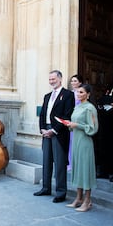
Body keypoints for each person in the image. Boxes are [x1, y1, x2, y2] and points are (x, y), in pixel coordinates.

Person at [34, 70, 75, 203]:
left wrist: (54, 130)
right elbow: (42, 114)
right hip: (46, 132)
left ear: (60, 79)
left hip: (59, 133)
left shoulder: (68, 95)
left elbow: (67, 115)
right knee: (46, 161)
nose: (51, 81)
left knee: (59, 163)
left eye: (54, 79)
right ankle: (46, 188)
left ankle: (61, 192)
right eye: (50, 79)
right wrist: (42, 129)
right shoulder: (47, 96)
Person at [66, 84, 98, 212]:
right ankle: (78, 198)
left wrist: (76, 125)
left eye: (81, 92)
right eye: (78, 92)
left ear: (88, 94)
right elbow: (75, 123)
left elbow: (93, 128)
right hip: (76, 140)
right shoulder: (77, 107)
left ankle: (87, 200)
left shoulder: (90, 108)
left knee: (85, 170)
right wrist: (69, 124)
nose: (78, 94)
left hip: (85, 142)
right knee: (78, 168)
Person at [67, 75, 83, 171]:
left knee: (75, 142)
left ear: (80, 83)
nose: (73, 83)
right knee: (69, 143)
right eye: (72, 81)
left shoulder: (80, 94)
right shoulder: (69, 93)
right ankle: (69, 162)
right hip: (68, 121)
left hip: (76, 121)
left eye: (75, 81)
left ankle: (76, 164)